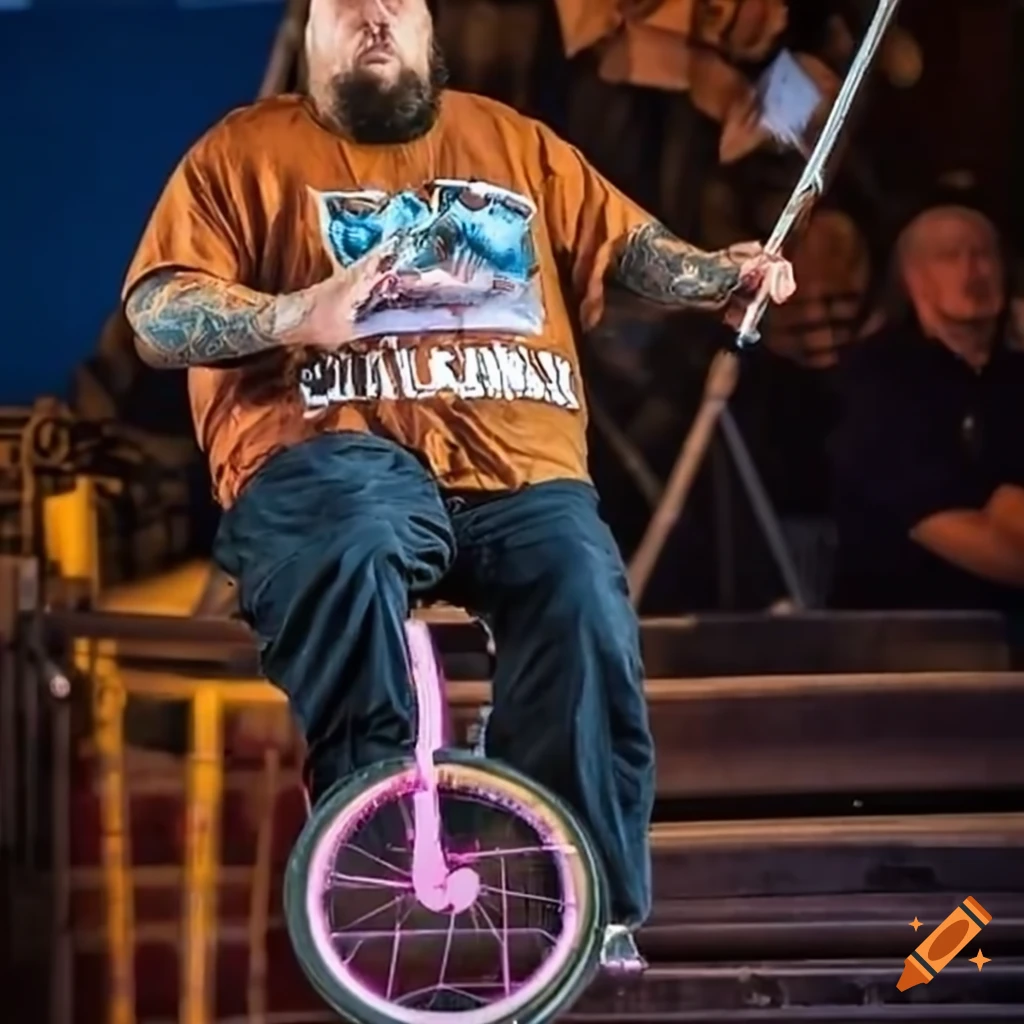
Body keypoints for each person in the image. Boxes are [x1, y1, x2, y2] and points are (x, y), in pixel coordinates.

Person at [122, 0, 795, 973]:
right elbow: (158, 310)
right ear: (310, 31)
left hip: (516, 466)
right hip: (334, 448)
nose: (375, 18)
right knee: (349, 536)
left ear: (431, 30)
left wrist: (710, 275)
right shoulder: (241, 152)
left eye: (395, 1)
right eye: (347, 5)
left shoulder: (510, 139)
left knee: (580, 589)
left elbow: (622, 248)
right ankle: (380, 821)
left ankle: (580, 898)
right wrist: (292, 311)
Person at [831, 204, 1024, 610]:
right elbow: (932, 517)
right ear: (913, 277)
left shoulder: (1013, 375)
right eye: (950, 257)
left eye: (984, 254)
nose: (973, 271)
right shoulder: (880, 376)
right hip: (909, 627)